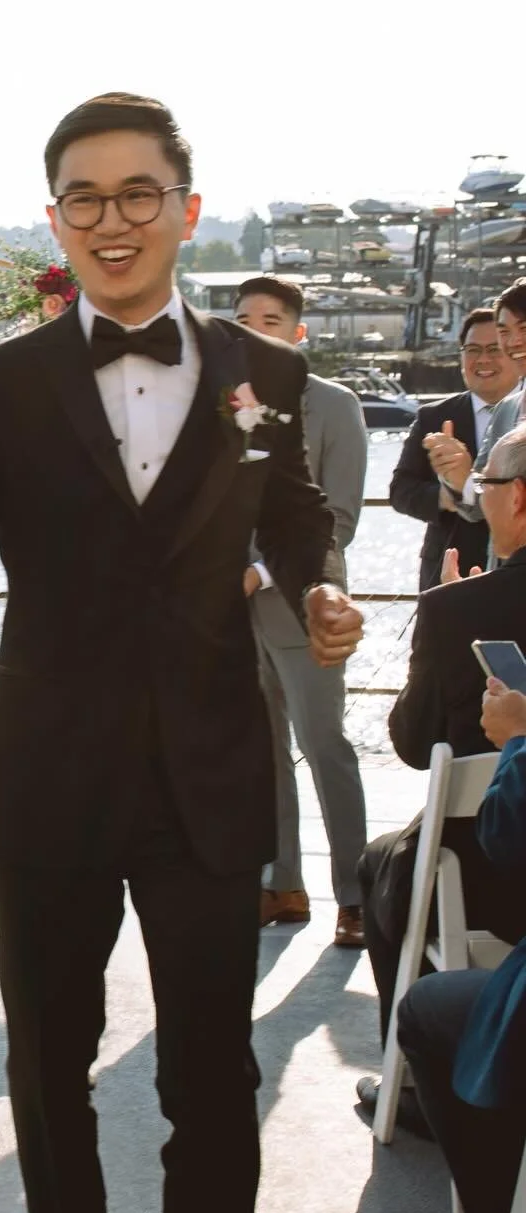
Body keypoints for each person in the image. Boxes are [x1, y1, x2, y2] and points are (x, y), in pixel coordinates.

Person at [0, 92, 357, 1213]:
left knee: (215, 1076)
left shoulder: (264, 375)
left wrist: (327, 593)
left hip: (212, 775)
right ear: (55, 221)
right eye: (83, 197)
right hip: (50, 775)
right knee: (46, 1058)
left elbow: (300, 523)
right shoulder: (1, 379)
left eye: (137, 193)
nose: (111, 219)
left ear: (187, 210)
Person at [354, 425, 526, 1129]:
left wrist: (442, 620)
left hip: (491, 868)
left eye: (482, 486)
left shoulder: (459, 607)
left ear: (516, 498)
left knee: (381, 864)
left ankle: (424, 1080)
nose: (476, 499)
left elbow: (414, 742)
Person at [235, 278, 369, 945]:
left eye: (270, 318)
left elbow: (337, 517)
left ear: (299, 333)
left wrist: (258, 572)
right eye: (242, 319)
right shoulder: (226, 404)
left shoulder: (336, 407)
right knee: (261, 755)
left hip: (302, 609)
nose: (255, 329)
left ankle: (357, 894)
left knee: (325, 748)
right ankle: (281, 884)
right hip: (231, 615)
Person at [397, 707, 526, 1213]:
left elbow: (412, 740)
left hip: (486, 899)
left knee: (423, 1009)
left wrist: (518, 741)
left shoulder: (452, 615)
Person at [390, 307, 513, 589]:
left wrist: (470, 483)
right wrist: (448, 496)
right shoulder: (433, 417)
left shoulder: (522, 415)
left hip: (514, 570)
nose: (483, 359)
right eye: (472, 350)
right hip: (448, 570)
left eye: (495, 349)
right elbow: (400, 490)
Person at [422, 282, 526, 572]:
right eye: (505, 331)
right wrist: (460, 478)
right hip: (508, 583)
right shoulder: (508, 410)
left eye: (524, 328)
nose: (514, 341)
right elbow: (483, 506)